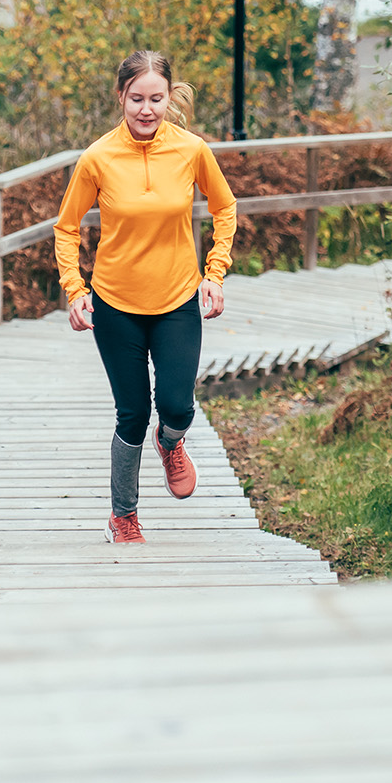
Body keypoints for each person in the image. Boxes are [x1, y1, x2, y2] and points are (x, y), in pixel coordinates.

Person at [52, 51, 236, 544]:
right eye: (137, 99)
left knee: (177, 407)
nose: (146, 109)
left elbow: (225, 208)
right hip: (115, 304)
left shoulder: (192, 150)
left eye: (156, 99)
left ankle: (170, 442)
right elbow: (67, 228)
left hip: (178, 299)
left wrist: (215, 273)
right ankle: (123, 516)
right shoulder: (97, 158)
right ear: (121, 97)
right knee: (131, 414)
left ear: (169, 97)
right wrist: (75, 289)